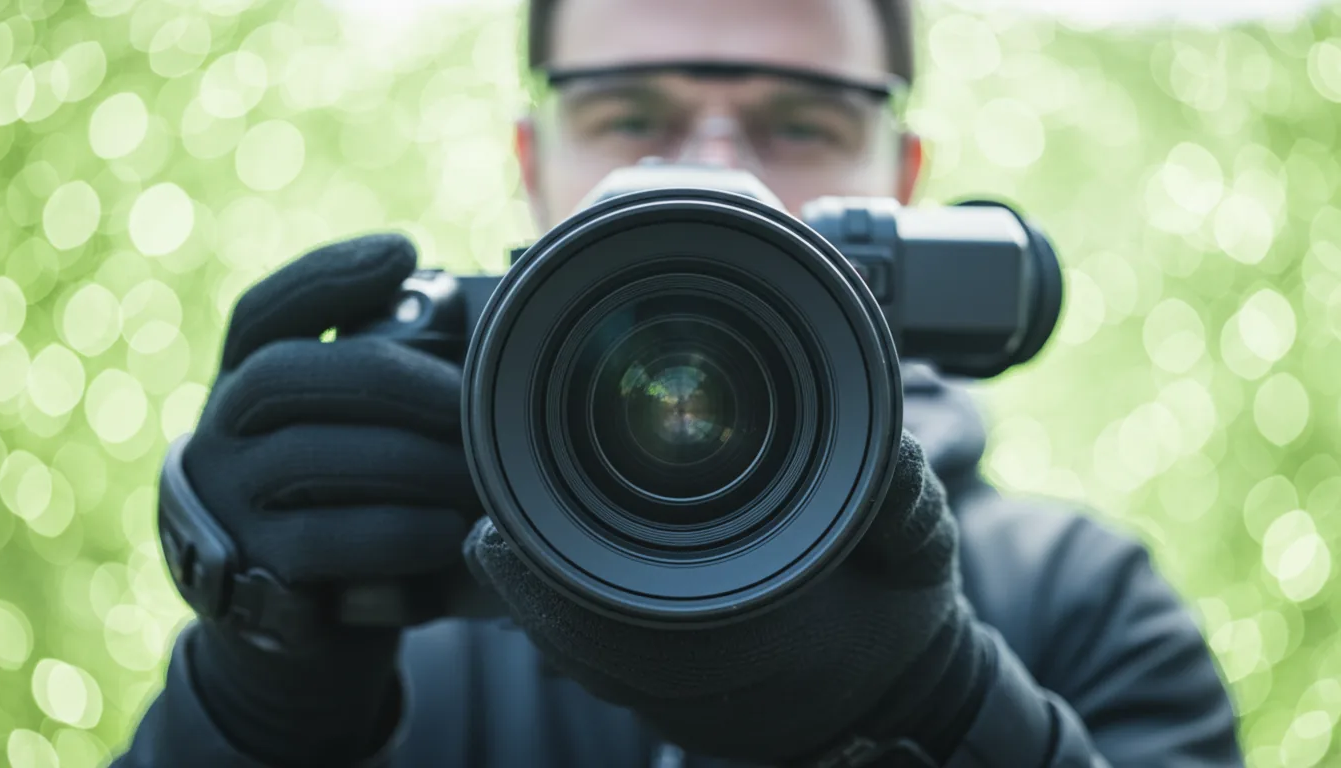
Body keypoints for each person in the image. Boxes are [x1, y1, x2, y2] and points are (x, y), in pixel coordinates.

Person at [109, 0, 1244, 766]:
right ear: (531, 163)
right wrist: (254, 692)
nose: (710, 172)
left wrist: (935, 707)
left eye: (795, 123)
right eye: (633, 117)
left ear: (900, 185)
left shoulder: (1083, 603)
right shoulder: (399, 586)